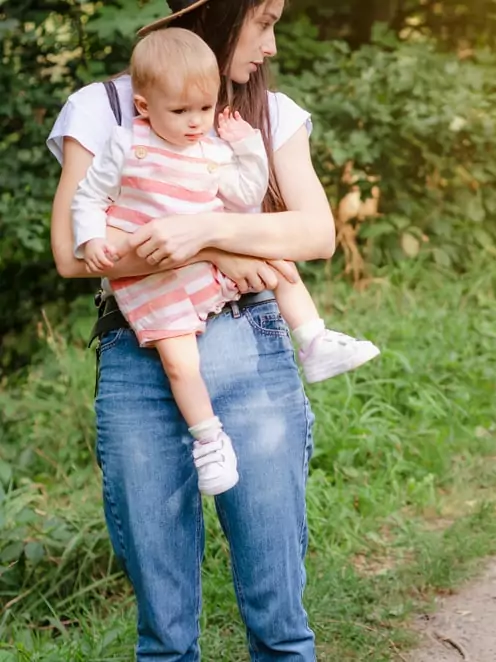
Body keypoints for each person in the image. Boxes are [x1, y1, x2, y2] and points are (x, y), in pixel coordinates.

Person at [47, 0, 333, 658]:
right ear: (219, 13)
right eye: (263, 23)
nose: (271, 46)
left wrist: (200, 232)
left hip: (250, 347)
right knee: (166, 634)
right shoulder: (106, 108)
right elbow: (71, 250)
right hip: (141, 354)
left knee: (280, 621)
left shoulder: (270, 115)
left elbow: (315, 234)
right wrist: (224, 252)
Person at [71, 27, 379, 497]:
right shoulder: (124, 143)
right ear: (144, 107)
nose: (196, 121)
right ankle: (210, 441)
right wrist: (92, 236)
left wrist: (247, 148)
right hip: (157, 283)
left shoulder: (210, 145)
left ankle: (314, 340)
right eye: (181, 111)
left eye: (205, 108)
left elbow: (245, 195)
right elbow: (89, 199)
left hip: (214, 274)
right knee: (181, 363)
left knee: (278, 263)